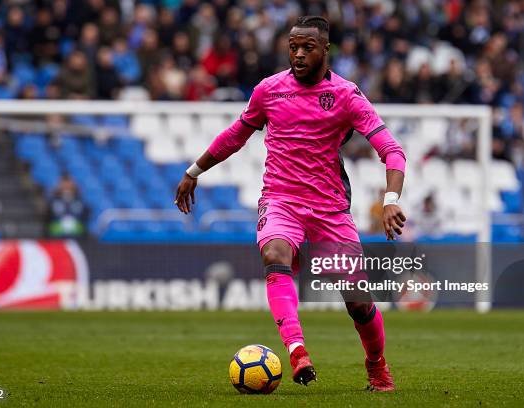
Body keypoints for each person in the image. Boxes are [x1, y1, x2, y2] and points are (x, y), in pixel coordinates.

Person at [174, 16, 406, 391]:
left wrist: (391, 199)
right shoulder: (268, 90)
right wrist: (194, 170)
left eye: (307, 47)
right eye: (293, 46)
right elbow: (237, 135)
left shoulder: (347, 95)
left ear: (324, 49)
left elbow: (392, 151)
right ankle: (297, 351)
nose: (298, 53)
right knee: (275, 255)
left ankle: (377, 367)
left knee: (359, 302)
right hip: (281, 200)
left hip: (330, 209)